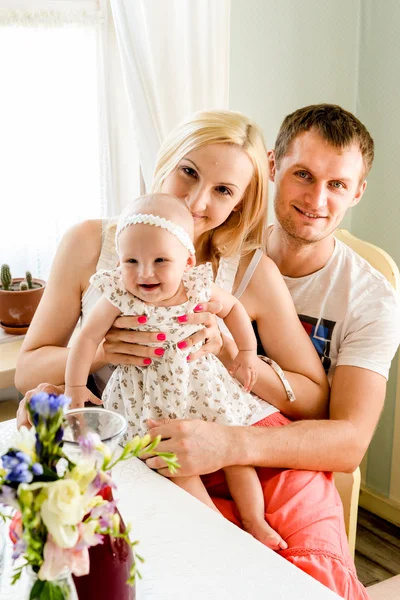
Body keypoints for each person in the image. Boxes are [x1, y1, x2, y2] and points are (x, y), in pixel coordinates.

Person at [15, 108, 369, 598]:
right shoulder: (90, 244)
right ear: (165, 160)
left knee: (297, 576)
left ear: (242, 201)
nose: (198, 199)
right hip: (150, 445)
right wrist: (99, 354)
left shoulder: (247, 270)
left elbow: (314, 399)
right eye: (189, 171)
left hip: (246, 442)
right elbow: (28, 368)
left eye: (224, 190)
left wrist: (235, 354)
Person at [65, 192, 293, 550]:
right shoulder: (118, 295)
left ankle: (255, 521)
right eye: (131, 260)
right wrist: (75, 386)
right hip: (148, 399)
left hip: (200, 385)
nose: (144, 272)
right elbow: (85, 338)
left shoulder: (197, 286)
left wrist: (247, 353)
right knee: (174, 464)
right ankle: (219, 532)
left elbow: (233, 309)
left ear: (187, 260)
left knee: (235, 455)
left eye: (160, 260)